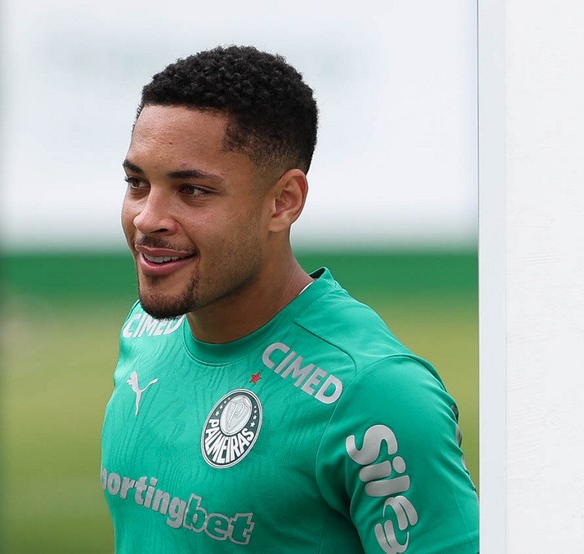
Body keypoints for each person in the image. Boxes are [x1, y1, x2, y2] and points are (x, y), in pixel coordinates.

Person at [100, 45, 479, 553]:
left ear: (284, 201)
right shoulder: (147, 329)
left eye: (192, 190)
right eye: (137, 183)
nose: (148, 218)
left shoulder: (375, 392)